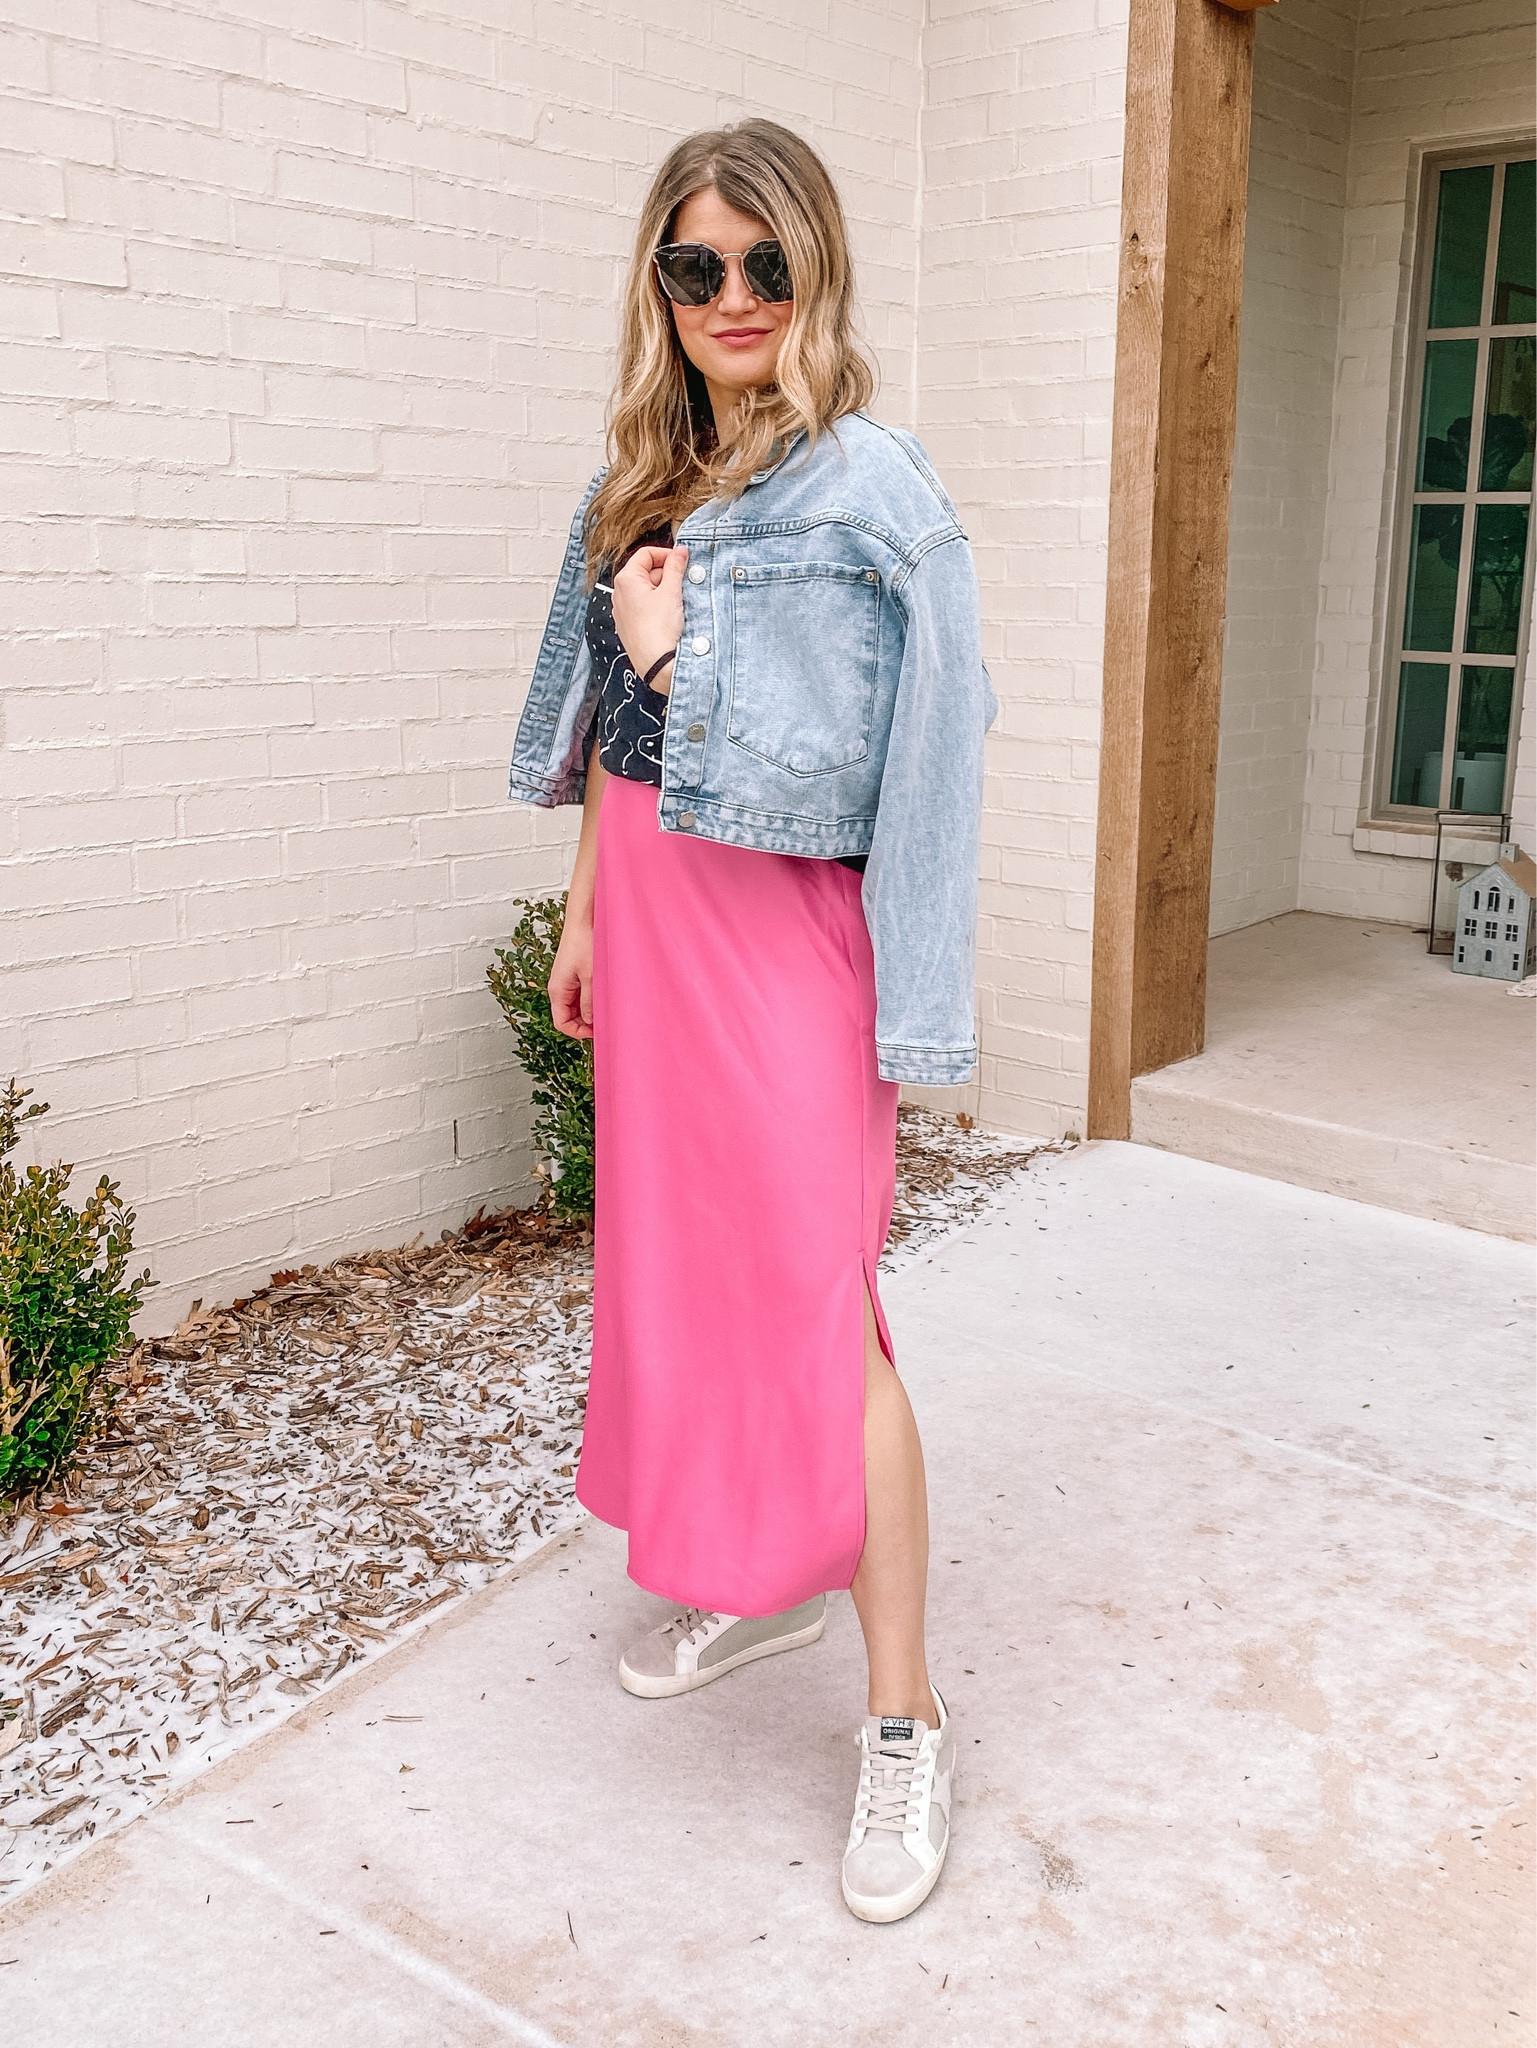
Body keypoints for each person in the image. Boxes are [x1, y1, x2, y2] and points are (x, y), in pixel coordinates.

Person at [509, 118, 994, 1925]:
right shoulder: (630, 475)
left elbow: (918, 763)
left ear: (817, 271)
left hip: (784, 932)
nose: (731, 298)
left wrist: (671, 657)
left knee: (817, 1304)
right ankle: (756, 1567)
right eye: (696, 266)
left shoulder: (871, 488)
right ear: (660, 279)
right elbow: (599, 756)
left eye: (764, 265)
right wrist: (578, 910)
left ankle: (903, 1722)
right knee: (688, 1276)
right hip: (648, 911)